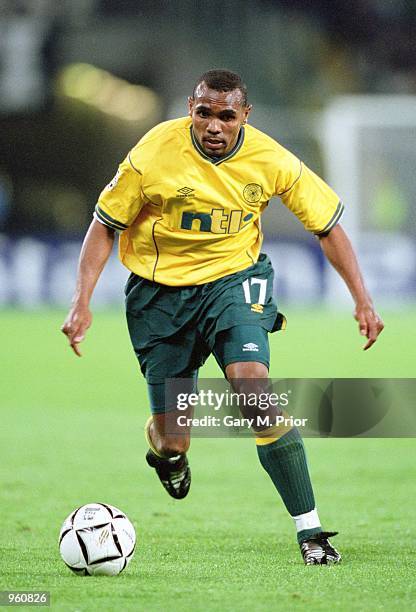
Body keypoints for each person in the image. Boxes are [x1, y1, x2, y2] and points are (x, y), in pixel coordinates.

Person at [61, 69, 384, 565]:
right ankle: (166, 452)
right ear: (191, 108)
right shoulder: (153, 153)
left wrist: (361, 298)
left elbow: (328, 225)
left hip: (235, 281)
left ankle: (311, 531)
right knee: (174, 436)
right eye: (204, 113)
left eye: (226, 115)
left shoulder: (270, 158)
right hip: (160, 295)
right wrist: (81, 300)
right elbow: (105, 226)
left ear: (244, 117)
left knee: (254, 389)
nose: (214, 125)